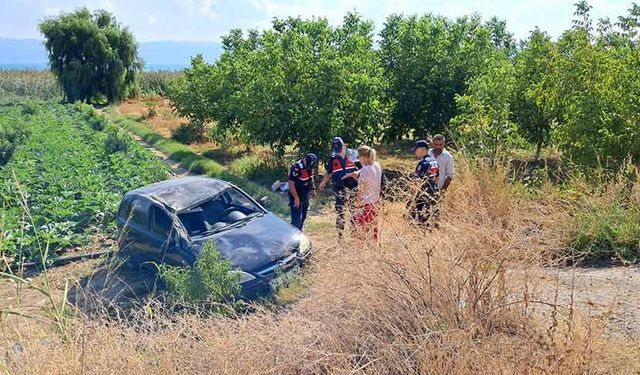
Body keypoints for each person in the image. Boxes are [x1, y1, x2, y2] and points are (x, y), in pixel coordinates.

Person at [319, 137, 360, 239]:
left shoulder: (354, 155)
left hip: (353, 188)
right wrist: (323, 182)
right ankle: (340, 237)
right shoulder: (333, 158)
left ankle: (353, 235)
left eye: (340, 149)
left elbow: (363, 169)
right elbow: (328, 173)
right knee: (340, 212)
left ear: (344, 146)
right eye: (336, 150)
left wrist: (356, 174)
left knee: (353, 212)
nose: (338, 152)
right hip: (339, 189)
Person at [343, 145, 383, 241]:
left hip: (366, 204)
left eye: (359, 157)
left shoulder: (365, 170)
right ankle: (374, 250)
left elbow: (361, 190)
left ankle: (359, 252)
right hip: (376, 202)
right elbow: (368, 169)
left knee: (360, 230)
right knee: (373, 229)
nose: (358, 160)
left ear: (363, 157)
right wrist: (358, 172)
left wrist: (356, 203)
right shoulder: (377, 165)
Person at [409, 139, 439, 226]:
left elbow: (418, 182)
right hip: (434, 192)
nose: (415, 152)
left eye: (416, 150)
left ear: (422, 149)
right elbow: (437, 178)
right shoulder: (434, 161)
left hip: (423, 194)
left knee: (421, 220)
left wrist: (413, 197)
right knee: (431, 218)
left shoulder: (423, 163)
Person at [288, 153, 317, 230]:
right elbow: (291, 183)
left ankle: (299, 233)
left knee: (303, 216)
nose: (308, 167)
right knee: (296, 219)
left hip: (305, 194)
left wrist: (313, 189)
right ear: (304, 160)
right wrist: (296, 198)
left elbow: (311, 178)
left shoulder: (311, 167)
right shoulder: (296, 167)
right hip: (295, 194)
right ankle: (293, 236)